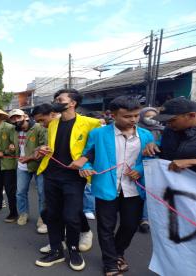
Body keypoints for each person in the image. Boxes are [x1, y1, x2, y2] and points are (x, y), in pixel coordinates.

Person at [79, 96, 154, 276]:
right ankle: (111, 262)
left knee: (129, 225)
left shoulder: (146, 136)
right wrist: (86, 168)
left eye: (136, 115)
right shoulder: (99, 134)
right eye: (127, 116)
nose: (133, 120)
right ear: (112, 115)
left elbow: (150, 159)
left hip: (134, 189)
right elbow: (87, 156)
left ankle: (118, 252)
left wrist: (140, 170)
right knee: (106, 227)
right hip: (106, 187)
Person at [35, 89, 100, 271]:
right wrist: (44, 149)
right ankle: (56, 250)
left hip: (73, 178)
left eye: (60, 99)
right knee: (52, 215)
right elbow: (53, 145)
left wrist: (84, 159)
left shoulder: (91, 123)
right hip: (52, 174)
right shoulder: (53, 123)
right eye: (55, 98)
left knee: (71, 216)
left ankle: (74, 250)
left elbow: (98, 145)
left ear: (72, 103)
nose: (56, 101)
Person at [9, 109, 49, 233]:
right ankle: (23, 214)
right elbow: (14, 145)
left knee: (42, 193)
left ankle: (43, 217)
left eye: (18, 117)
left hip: (38, 166)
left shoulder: (38, 128)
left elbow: (45, 147)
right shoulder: (14, 130)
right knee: (20, 192)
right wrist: (11, 147)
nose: (16, 120)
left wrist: (30, 157)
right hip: (22, 166)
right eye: (13, 118)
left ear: (25, 116)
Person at [144, 97, 196, 172]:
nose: (168, 124)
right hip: (171, 180)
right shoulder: (169, 130)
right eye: (166, 121)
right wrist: (155, 148)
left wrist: (191, 162)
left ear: (191, 115)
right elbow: (167, 153)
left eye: (172, 120)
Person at [136, 107, 164, 233]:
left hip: (155, 165)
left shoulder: (164, 131)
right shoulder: (136, 130)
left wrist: (156, 146)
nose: (151, 119)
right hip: (137, 163)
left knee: (150, 192)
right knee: (139, 190)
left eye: (154, 116)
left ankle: (145, 218)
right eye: (148, 116)